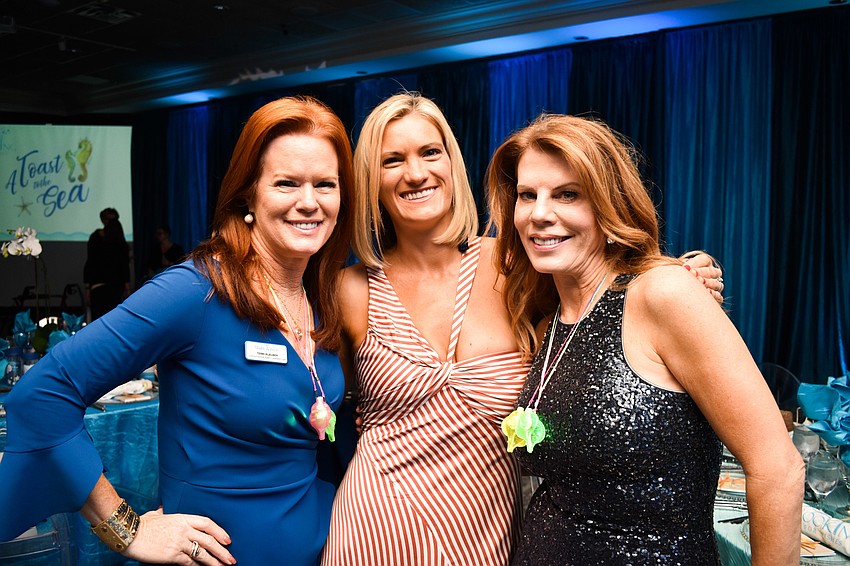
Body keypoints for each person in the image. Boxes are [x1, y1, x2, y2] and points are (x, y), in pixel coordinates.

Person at [322, 92, 724, 566]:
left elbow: (607, 289)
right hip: (372, 529)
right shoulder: (348, 290)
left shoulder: (513, 266)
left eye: (430, 152)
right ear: (372, 178)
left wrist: (684, 272)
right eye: (393, 159)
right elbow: (304, 393)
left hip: (485, 533)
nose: (415, 172)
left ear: (452, 162)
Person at [0, 96, 355, 565]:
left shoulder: (323, 295)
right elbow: (43, 393)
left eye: (324, 184)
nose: (308, 202)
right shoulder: (195, 292)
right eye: (286, 183)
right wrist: (124, 528)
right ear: (248, 194)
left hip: (319, 545)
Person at [486, 114, 803, 565]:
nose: (539, 213)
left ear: (607, 203)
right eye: (526, 195)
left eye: (567, 194)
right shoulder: (549, 321)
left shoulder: (660, 293)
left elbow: (778, 467)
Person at [84, 207, 131, 320]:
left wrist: (87, 287)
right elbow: (123, 263)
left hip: (100, 285)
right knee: (113, 320)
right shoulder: (118, 238)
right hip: (113, 285)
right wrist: (127, 286)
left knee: (99, 321)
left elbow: (90, 262)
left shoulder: (96, 237)